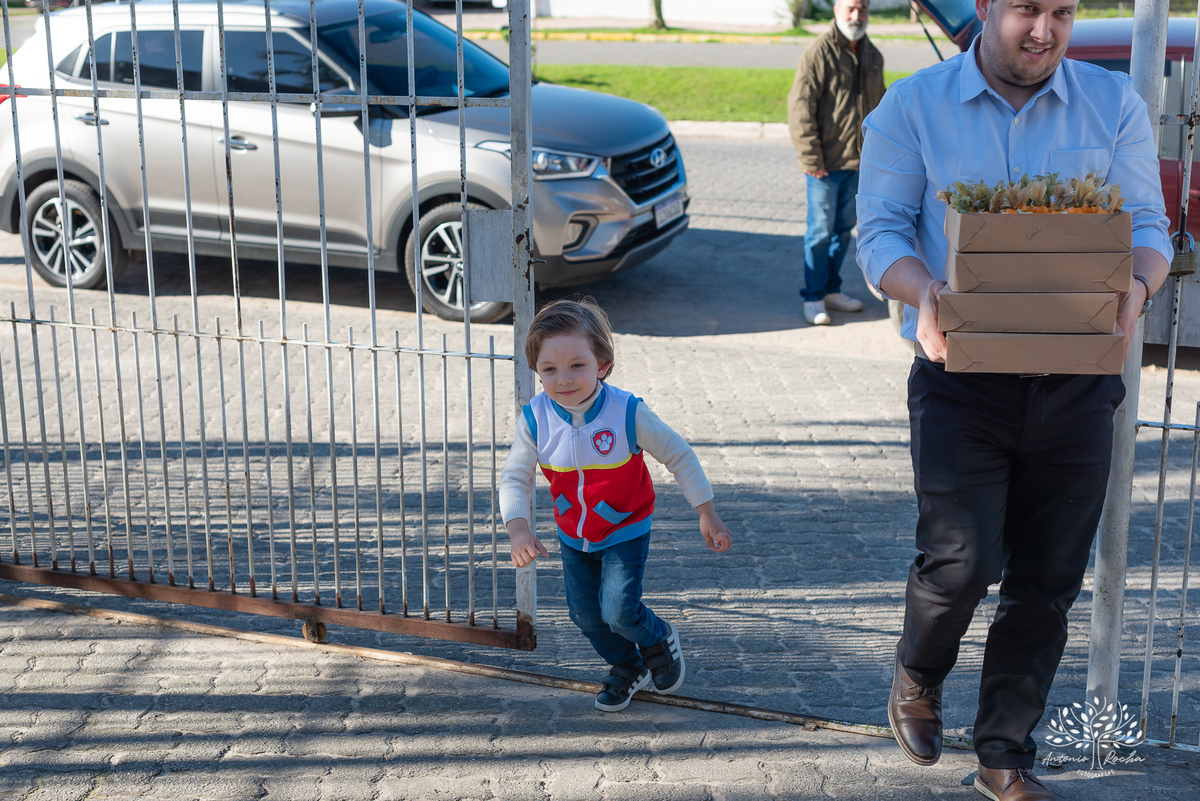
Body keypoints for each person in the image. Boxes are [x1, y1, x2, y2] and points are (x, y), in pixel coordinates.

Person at [855, 1, 1171, 799]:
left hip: (1078, 380)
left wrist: (1137, 284)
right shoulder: (915, 105)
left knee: (1048, 578)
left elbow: (1147, 225)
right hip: (961, 377)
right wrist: (922, 292)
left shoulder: (1113, 105)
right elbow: (881, 231)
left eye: (1062, 12)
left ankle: (1004, 752)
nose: (1045, 31)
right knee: (962, 561)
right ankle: (918, 672)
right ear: (988, 7)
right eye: (1026, 9)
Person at [500, 298, 733, 712]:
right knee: (585, 616)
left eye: (577, 365)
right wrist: (518, 527)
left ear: (602, 364)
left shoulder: (627, 412)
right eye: (549, 369)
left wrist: (706, 511)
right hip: (573, 534)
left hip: (625, 527)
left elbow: (678, 454)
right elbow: (516, 475)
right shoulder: (536, 418)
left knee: (619, 611)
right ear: (537, 371)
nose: (564, 379)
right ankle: (628, 665)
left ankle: (658, 637)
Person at [787, 0, 885, 326]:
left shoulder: (873, 55)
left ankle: (831, 289)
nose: (857, 16)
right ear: (836, 9)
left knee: (843, 231)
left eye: (863, 10)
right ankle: (812, 297)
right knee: (819, 232)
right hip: (824, 164)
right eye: (851, 9)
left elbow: (882, 108)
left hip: (859, 163)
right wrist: (811, 158)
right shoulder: (818, 53)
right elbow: (801, 109)